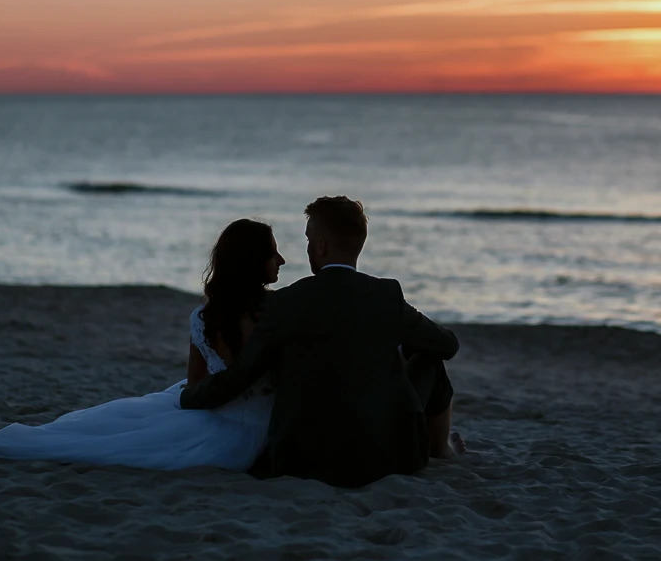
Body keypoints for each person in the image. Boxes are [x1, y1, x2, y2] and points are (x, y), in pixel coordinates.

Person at [180, 196, 463, 488]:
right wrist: (402, 346)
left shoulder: (288, 302)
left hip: (300, 461)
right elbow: (447, 345)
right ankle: (441, 449)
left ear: (321, 246)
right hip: (384, 461)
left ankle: (439, 446)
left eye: (308, 239)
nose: (306, 248)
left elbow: (239, 377)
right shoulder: (386, 295)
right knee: (430, 358)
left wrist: (187, 397)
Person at [0, 219, 285, 471]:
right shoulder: (279, 311)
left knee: (123, 427)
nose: (282, 260)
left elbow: (195, 387)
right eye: (274, 252)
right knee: (127, 438)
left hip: (209, 409)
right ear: (253, 260)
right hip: (248, 430)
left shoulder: (204, 317)